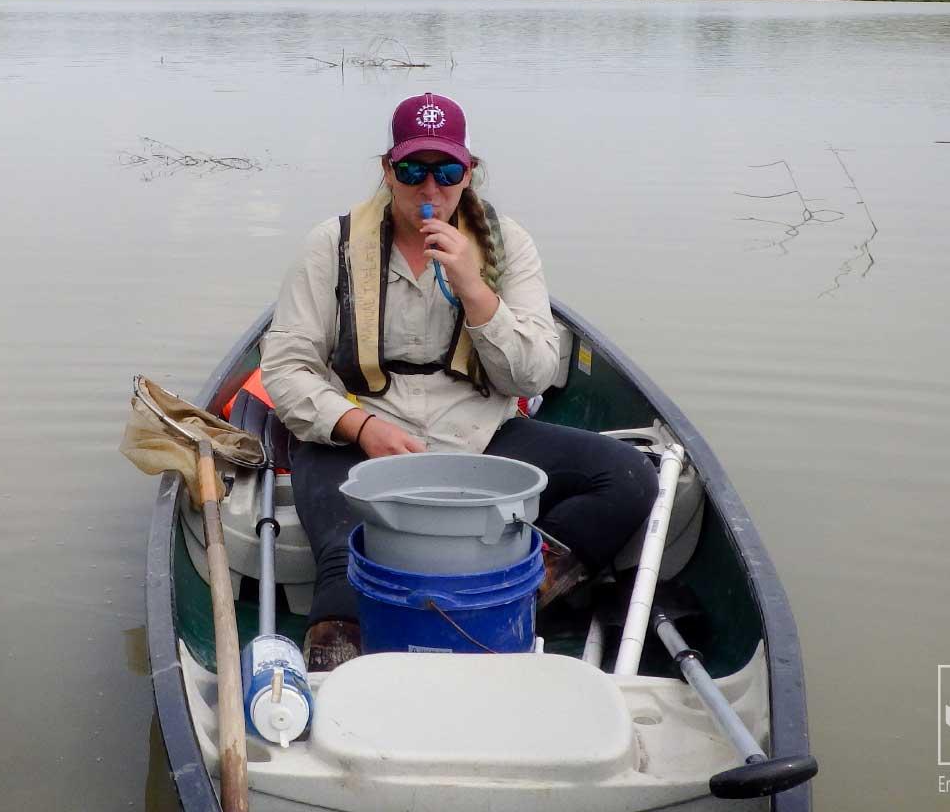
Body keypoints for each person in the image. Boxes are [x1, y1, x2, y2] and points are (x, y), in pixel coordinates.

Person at [261, 92, 658, 672]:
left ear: (468, 172)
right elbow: (286, 367)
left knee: (628, 476)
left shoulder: (508, 245)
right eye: (412, 170)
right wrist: (361, 426)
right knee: (345, 560)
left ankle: (513, 592)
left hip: (480, 431)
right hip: (357, 434)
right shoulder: (332, 245)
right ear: (386, 170)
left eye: (447, 172)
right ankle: (336, 680)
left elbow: (534, 373)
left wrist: (475, 289)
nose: (430, 189)